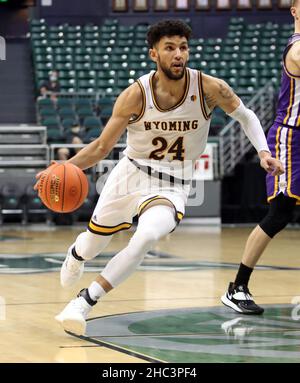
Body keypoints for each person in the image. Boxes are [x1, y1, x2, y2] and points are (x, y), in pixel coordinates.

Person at [35, 19, 283, 336]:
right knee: (92, 244)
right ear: (154, 54)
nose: (179, 54)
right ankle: (76, 254)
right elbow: (101, 147)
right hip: (130, 174)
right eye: (170, 48)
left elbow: (246, 115)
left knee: (148, 236)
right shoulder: (135, 95)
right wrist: (58, 169)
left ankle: (83, 302)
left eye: (183, 47)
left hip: (173, 185)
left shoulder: (209, 88)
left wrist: (263, 151)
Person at [221, 1, 300, 315]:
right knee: (280, 213)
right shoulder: (295, 49)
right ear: (295, 10)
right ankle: (237, 287)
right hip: (290, 138)